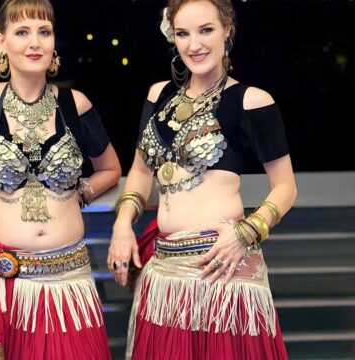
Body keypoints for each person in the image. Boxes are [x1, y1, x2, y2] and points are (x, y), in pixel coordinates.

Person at [108, 0, 297, 358]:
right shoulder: (158, 95)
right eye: (183, 33)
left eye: (206, 30)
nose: (194, 44)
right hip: (165, 270)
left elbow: (286, 186)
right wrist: (122, 223)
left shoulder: (252, 101)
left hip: (223, 267)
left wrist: (248, 231)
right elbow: (140, 170)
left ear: (228, 29)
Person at [0, 0, 121, 358]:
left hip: (69, 283)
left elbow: (111, 168)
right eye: (22, 32)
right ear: (1, 42)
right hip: (2, 282)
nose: (35, 42)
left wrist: (78, 195)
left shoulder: (74, 104)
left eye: (44, 32)